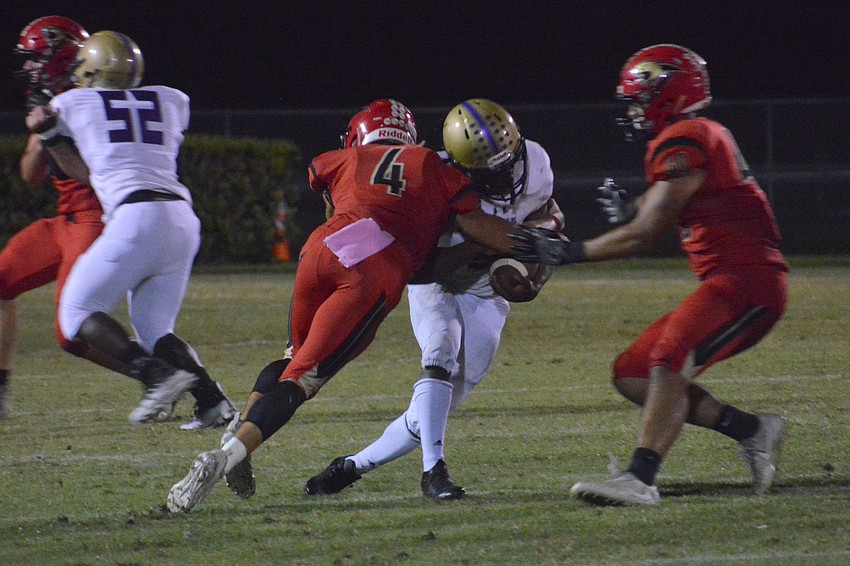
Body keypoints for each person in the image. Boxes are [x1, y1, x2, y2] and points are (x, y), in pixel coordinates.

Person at [166, 99, 537, 514]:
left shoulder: (345, 158)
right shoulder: (434, 168)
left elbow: (328, 193)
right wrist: (543, 245)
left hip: (322, 250)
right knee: (304, 379)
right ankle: (225, 457)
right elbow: (464, 232)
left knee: (291, 358)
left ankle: (238, 438)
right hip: (371, 272)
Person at [513, 44, 789, 506]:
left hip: (748, 283)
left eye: (639, 99)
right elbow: (672, 196)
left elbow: (645, 236)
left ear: (667, 93)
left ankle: (641, 478)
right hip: (731, 280)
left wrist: (569, 252)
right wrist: (634, 206)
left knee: (669, 356)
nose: (634, 111)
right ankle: (753, 430)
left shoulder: (685, 139)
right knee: (633, 372)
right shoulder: (699, 134)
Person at [304, 99, 562, 500]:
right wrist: (486, 243)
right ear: (461, 166)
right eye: (488, 171)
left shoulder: (536, 161)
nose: (502, 176)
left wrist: (534, 273)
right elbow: (423, 270)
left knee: (430, 412)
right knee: (439, 353)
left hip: (485, 291)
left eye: (507, 163)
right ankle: (434, 472)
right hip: (435, 280)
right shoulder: (430, 177)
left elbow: (548, 218)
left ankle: (352, 465)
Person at [24, 30, 235, 428]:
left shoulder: (71, 102)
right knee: (156, 329)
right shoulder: (171, 99)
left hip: (135, 216)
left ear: (91, 68)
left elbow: (71, 163)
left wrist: (46, 129)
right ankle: (213, 402)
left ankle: (155, 376)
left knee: (76, 311)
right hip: (180, 218)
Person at [1, 16, 128, 419]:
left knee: (70, 330)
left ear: (60, 56)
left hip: (96, 217)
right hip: (65, 220)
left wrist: (55, 131)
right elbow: (31, 176)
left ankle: (160, 376)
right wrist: (42, 136)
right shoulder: (53, 99)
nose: (29, 67)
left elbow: (100, 176)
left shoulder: (95, 99)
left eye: (36, 58)